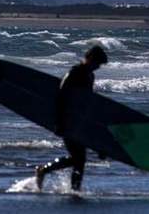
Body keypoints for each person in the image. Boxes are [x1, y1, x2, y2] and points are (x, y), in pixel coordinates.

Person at [35, 45, 109, 192]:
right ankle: (44, 170)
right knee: (78, 158)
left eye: (99, 65)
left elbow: (86, 101)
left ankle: (74, 189)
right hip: (68, 119)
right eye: (97, 63)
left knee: (79, 159)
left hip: (80, 120)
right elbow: (61, 95)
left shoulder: (90, 75)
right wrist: (59, 121)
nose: (97, 67)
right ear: (89, 59)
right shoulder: (75, 72)